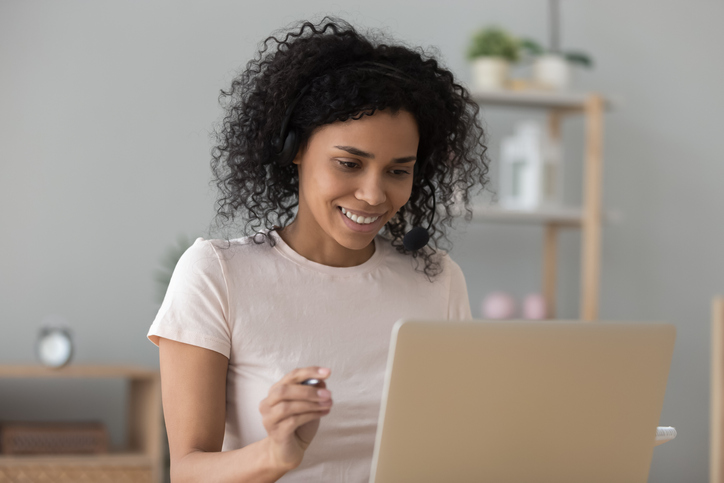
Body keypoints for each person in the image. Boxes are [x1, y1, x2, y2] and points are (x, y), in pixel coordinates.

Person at [147, 15, 489, 483]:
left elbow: (455, 448)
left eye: (397, 170)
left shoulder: (437, 280)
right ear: (295, 149)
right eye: (349, 163)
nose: (373, 194)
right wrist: (275, 455)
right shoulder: (217, 274)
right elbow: (186, 472)